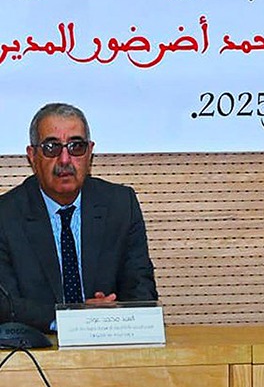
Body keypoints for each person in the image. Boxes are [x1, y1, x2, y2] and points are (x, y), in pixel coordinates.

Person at [0, 103, 158, 332]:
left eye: (76, 147)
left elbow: (142, 290)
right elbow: (5, 305)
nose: (65, 159)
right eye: (52, 147)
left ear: (90, 152)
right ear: (32, 156)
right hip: (41, 346)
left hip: (110, 344)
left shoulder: (121, 205)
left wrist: (114, 316)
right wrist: (75, 318)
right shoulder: (6, 215)